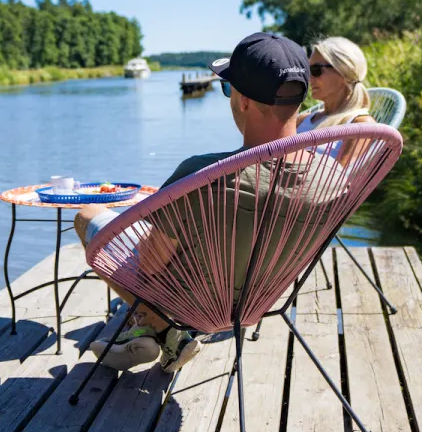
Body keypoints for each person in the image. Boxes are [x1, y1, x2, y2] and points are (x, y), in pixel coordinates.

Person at [72, 32, 334, 374]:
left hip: (191, 304)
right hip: (260, 301)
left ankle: (166, 330)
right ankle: (162, 338)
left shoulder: (204, 175)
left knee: (88, 214)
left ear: (242, 101)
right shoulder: (333, 176)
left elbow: (149, 266)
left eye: (229, 88)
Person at [295, 36, 376, 166]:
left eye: (315, 70)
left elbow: (339, 179)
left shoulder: (360, 125)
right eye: (307, 70)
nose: (309, 78)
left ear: (344, 72)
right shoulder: (302, 120)